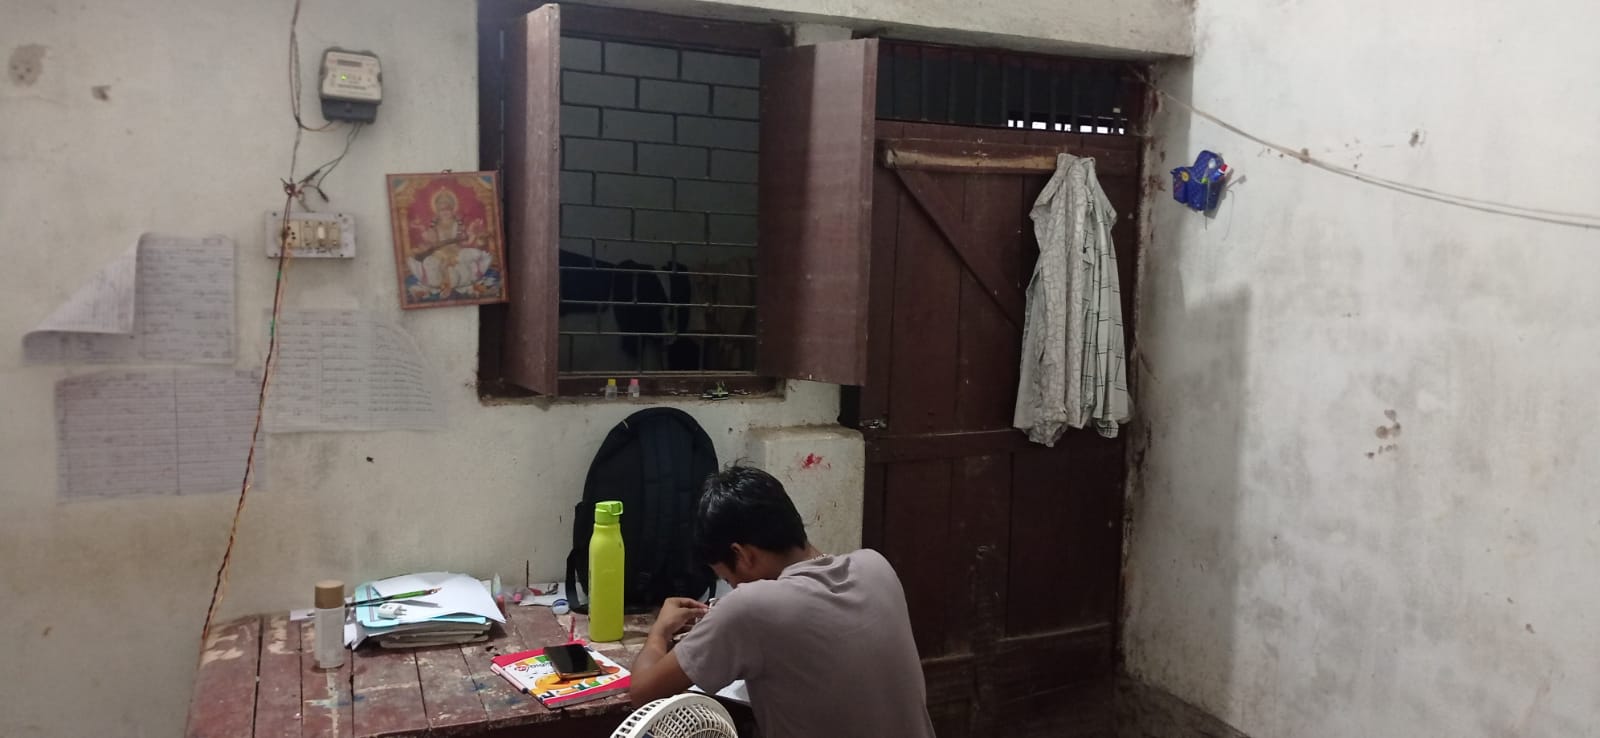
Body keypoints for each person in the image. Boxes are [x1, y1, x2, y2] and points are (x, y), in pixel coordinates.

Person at [629, 466, 936, 738]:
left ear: (742, 555)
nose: (734, 589)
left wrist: (660, 631)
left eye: (728, 580)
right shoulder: (875, 566)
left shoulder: (748, 608)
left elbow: (643, 693)